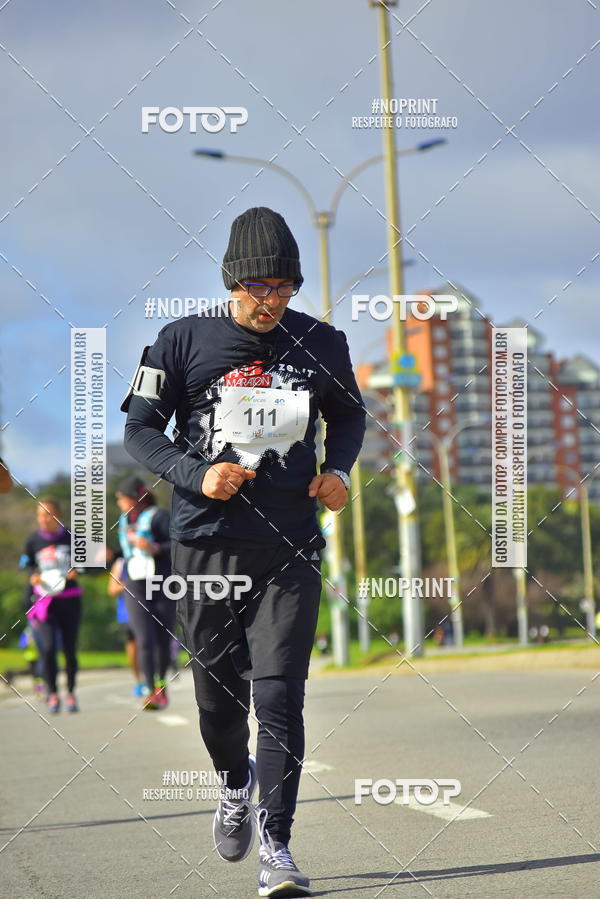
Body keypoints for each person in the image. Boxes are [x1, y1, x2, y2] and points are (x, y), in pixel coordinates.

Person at [122, 206, 366, 897]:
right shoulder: (180, 340)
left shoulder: (323, 342)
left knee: (280, 694)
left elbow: (349, 412)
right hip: (205, 545)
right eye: (259, 287)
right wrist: (195, 473)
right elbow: (141, 430)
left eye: (284, 288)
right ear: (232, 281)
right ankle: (234, 783)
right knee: (218, 702)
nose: (271, 301)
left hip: (289, 546)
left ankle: (277, 847)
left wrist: (338, 470)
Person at [116, 476, 174, 709]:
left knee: (162, 637)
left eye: (121, 498)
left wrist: (156, 547)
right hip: (134, 583)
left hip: (161, 581)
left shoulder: (159, 516)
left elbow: (177, 544)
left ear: (134, 498)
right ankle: (150, 691)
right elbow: (122, 552)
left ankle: (161, 683)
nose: (118, 503)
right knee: (144, 638)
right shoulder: (123, 521)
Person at [22, 498, 82, 713]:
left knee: (69, 649)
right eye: (40, 515)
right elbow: (26, 564)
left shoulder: (73, 537)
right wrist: (33, 575)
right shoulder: (33, 540)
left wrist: (78, 570)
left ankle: (71, 692)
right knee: (47, 649)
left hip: (70, 599)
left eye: (48, 514)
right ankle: (53, 693)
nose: (44, 519)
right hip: (45, 602)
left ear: (58, 515)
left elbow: (92, 564)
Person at [107, 552, 147, 698]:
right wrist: (131, 585)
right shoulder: (120, 562)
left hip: (149, 610)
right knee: (133, 649)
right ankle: (139, 681)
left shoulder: (150, 559)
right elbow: (112, 589)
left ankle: (153, 679)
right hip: (127, 613)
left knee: (148, 644)